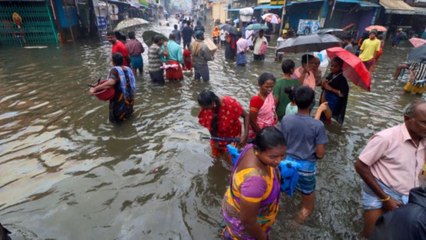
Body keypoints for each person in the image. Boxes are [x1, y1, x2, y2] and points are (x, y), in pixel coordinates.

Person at [354, 99, 426, 238]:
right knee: (372, 234)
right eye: (424, 122)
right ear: (407, 119)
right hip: (380, 192)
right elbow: (360, 166)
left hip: (409, 195)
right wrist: (385, 199)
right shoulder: (386, 138)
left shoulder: (423, 138)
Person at [221, 126, 286, 240]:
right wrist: (263, 238)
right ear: (258, 151)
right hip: (245, 225)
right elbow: (248, 221)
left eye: (282, 155)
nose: (279, 161)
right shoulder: (255, 182)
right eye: (273, 157)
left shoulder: (250, 148)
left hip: (234, 206)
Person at [280, 86, 329, 224]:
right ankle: (292, 230)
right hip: (306, 168)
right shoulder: (317, 125)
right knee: (307, 207)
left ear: (294, 100)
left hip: (286, 164)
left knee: (284, 194)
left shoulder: (286, 119)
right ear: (312, 103)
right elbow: (320, 153)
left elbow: (281, 143)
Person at [198, 90, 249, 160]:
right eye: (203, 107)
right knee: (215, 157)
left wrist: (245, 136)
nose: (204, 110)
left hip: (233, 135)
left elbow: (246, 116)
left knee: (234, 158)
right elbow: (210, 126)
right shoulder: (205, 109)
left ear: (213, 103)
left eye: (206, 108)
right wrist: (215, 141)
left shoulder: (229, 103)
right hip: (217, 137)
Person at [89, 53, 135, 123]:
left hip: (120, 98)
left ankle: (118, 130)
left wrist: (96, 89)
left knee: (117, 120)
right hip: (129, 96)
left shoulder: (115, 70)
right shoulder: (128, 68)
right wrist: (99, 84)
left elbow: (111, 82)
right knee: (128, 115)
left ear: (113, 62)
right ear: (122, 61)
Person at [320, 57, 349, 124]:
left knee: (329, 117)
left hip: (334, 102)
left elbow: (342, 94)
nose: (332, 68)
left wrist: (331, 89)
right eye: (331, 66)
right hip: (326, 98)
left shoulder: (342, 79)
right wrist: (324, 83)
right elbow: (325, 86)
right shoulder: (331, 75)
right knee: (323, 114)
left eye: (335, 66)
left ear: (340, 67)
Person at [248, 73, 277, 139]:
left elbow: (272, 109)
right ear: (260, 85)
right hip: (258, 131)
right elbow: (252, 121)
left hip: (269, 129)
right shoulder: (256, 100)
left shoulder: (271, 96)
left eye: (271, 87)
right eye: (266, 87)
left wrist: (275, 115)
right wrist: (261, 134)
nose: (269, 89)